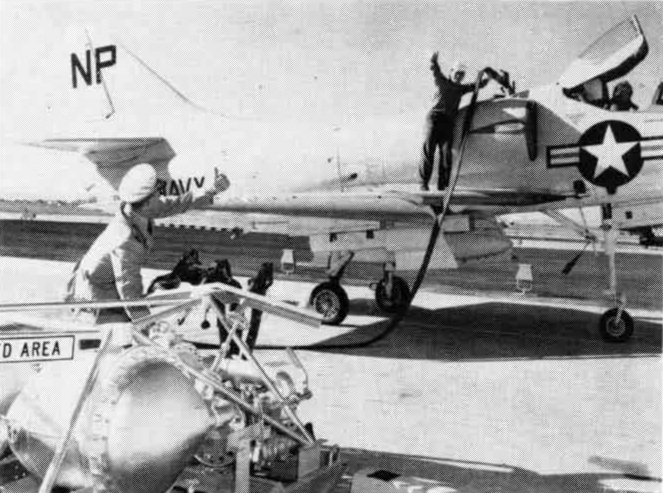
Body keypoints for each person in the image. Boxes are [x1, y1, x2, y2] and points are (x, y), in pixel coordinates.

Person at [66, 164, 230, 323]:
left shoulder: (138, 209)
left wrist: (212, 190)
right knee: (122, 339)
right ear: (148, 202)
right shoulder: (124, 240)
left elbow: (178, 203)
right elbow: (129, 289)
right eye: (158, 191)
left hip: (109, 284)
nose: (162, 195)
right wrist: (148, 325)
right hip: (97, 293)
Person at [419, 53, 488, 191]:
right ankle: (423, 184)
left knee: (446, 154)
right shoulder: (442, 81)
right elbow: (435, 70)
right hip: (434, 118)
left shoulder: (460, 89)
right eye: (457, 73)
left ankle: (442, 185)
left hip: (448, 122)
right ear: (451, 72)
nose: (459, 76)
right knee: (429, 149)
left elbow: (476, 85)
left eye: (461, 75)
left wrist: (487, 79)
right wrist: (434, 61)